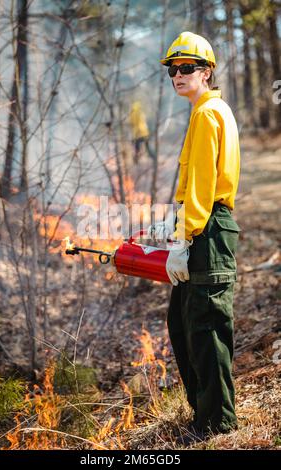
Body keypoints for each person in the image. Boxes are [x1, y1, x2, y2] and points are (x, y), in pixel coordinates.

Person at [148, 31, 241, 445]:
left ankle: (217, 424)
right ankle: (203, 415)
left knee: (205, 329)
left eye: (186, 67)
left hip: (209, 230)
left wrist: (183, 240)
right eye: (173, 69)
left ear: (206, 72)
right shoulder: (205, 111)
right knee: (183, 323)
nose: (177, 75)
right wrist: (172, 230)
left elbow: (203, 187)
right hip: (201, 227)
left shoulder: (207, 114)